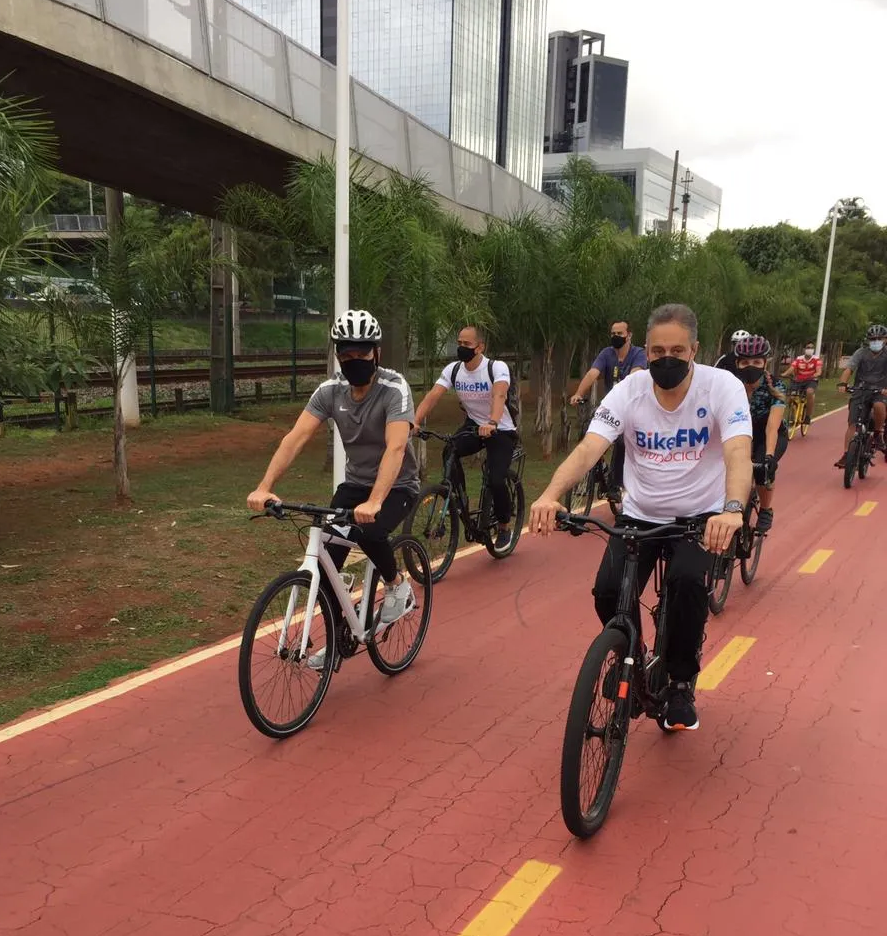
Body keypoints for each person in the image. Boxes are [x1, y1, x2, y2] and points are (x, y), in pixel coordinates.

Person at [530, 303, 753, 733]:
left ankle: (681, 683)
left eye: (676, 349)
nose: (665, 358)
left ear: (695, 350)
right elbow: (589, 449)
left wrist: (731, 510)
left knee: (687, 584)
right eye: (656, 351)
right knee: (607, 591)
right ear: (644, 352)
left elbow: (737, 452)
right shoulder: (629, 392)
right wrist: (550, 495)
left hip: (700, 517)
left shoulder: (721, 386)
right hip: (640, 514)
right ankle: (629, 650)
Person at [246, 309, 419, 668]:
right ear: (337, 355)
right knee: (325, 565)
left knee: (370, 532)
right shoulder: (330, 391)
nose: (355, 360)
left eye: (362, 353)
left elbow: (396, 448)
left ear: (377, 353)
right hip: (355, 485)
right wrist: (265, 487)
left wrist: (376, 500)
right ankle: (340, 639)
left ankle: (397, 585)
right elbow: (295, 438)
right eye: (347, 354)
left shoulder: (394, 388)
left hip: (398, 485)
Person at [413, 325, 516, 548]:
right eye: (459, 343)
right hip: (473, 425)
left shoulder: (496, 367)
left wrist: (492, 422)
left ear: (480, 347)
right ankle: (459, 499)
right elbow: (433, 396)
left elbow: (499, 394)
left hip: (501, 429)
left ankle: (504, 526)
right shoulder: (454, 370)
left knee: (496, 478)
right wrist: (415, 420)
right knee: (450, 450)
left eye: (466, 344)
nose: (462, 348)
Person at [569, 320, 649, 502]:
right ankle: (597, 469)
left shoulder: (639, 354)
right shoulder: (607, 353)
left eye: (619, 334)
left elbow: (635, 375)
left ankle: (615, 484)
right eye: (613, 334)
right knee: (588, 434)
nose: (615, 337)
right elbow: (592, 373)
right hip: (611, 408)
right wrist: (579, 393)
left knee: (621, 441)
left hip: (632, 407)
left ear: (629, 335)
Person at [732, 334, 786, 531]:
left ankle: (765, 509)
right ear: (737, 363)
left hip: (768, 434)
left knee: (762, 469)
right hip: (741, 432)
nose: (750, 366)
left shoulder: (776, 386)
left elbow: (772, 426)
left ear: (765, 362)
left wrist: (769, 456)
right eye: (745, 362)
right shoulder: (731, 384)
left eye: (756, 362)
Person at [835, 323, 887, 467]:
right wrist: (842, 384)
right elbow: (849, 369)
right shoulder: (861, 353)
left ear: (885, 339)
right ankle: (846, 454)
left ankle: (877, 434)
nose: (876, 341)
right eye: (872, 339)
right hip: (861, 390)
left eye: (879, 338)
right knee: (853, 424)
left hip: (880, 391)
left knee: (879, 406)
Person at [783, 340, 823, 425]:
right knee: (791, 395)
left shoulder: (816, 359)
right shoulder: (799, 359)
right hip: (798, 380)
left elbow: (819, 371)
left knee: (809, 392)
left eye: (812, 348)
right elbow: (792, 368)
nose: (810, 349)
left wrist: (815, 375)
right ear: (804, 349)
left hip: (811, 380)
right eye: (808, 347)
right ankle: (793, 413)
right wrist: (784, 374)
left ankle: (807, 416)